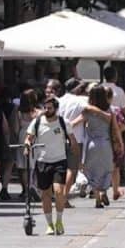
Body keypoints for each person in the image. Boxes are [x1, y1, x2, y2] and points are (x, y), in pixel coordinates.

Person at [24, 95, 79, 235]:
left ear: (56, 109)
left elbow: (72, 139)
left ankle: (59, 220)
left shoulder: (63, 122)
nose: (47, 110)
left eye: (50, 108)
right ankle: (49, 224)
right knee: (45, 194)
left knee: (59, 191)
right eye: (45, 107)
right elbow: (29, 138)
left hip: (59, 160)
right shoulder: (37, 122)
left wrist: (77, 156)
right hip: (42, 161)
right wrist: (27, 145)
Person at [81, 85, 117, 209]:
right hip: (106, 143)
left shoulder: (87, 111)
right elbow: (114, 127)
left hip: (91, 144)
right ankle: (104, 192)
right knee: (106, 169)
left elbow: (79, 121)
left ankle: (97, 199)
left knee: (92, 170)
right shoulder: (109, 110)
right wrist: (120, 143)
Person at [57, 79, 90, 204]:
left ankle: (60, 194)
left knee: (60, 169)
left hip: (58, 138)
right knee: (72, 169)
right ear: (76, 89)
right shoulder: (80, 101)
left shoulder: (58, 101)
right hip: (76, 138)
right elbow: (88, 112)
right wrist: (73, 123)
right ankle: (64, 197)